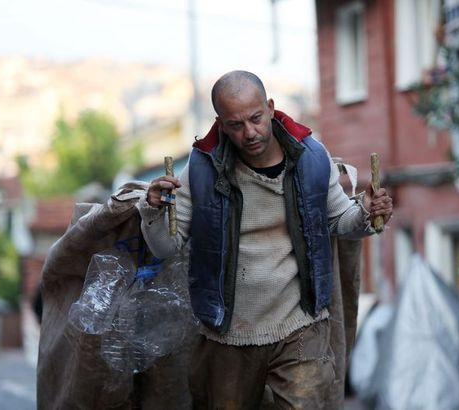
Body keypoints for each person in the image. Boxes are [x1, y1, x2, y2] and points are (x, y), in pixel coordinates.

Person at [137, 70, 393, 408]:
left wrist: (365, 213)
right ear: (221, 124)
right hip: (226, 335)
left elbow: (340, 222)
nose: (250, 133)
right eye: (236, 125)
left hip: (301, 326)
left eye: (256, 118)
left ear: (270, 107)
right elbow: (166, 247)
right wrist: (152, 211)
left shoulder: (311, 160)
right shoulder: (201, 170)